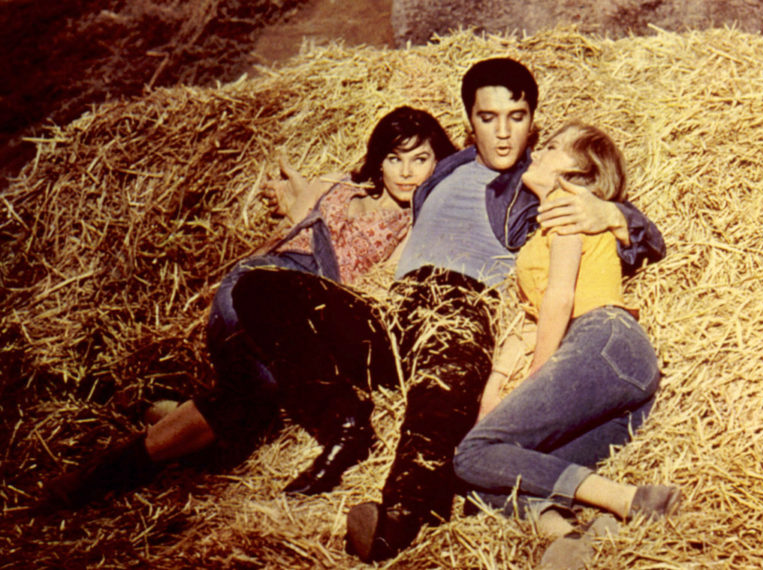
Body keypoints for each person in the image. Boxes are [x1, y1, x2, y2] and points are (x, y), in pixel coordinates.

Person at [279, 57, 666, 563]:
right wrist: (310, 196)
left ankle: (401, 517)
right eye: (488, 118)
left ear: (534, 123)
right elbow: (378, 170)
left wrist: (611, 212)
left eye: (519, 119)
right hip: (398, 307)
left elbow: (594, 262)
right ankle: (568, 536)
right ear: (469, 122)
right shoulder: (447, 166)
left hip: (471, 307)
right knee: (266, 290)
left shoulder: (547, 195)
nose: (505, 136)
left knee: (469, 442)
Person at [41, 106, 456, 508]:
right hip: (254, 283)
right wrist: (287, 191)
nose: (406, 172)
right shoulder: (340, 186)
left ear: (437, 163)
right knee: (254, 389)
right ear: (378, 161)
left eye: (420, 159)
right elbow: (296, 209)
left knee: (250, 401)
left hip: (295, 311)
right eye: (394, 158)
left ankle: (111, 464)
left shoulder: (416, 223)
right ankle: (126, 447)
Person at [452, 122, 680, 569]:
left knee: (472, 453)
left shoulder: (567, 204)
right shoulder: (543, 224)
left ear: (580, 172)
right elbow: (531, 320)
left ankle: (629, 499)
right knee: (488, 478)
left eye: (553, 147)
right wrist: (494, 389)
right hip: (619, 374)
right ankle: (570, 536)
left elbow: (560, 296)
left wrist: (539, 370)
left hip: (603, 339)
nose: (538, 151)